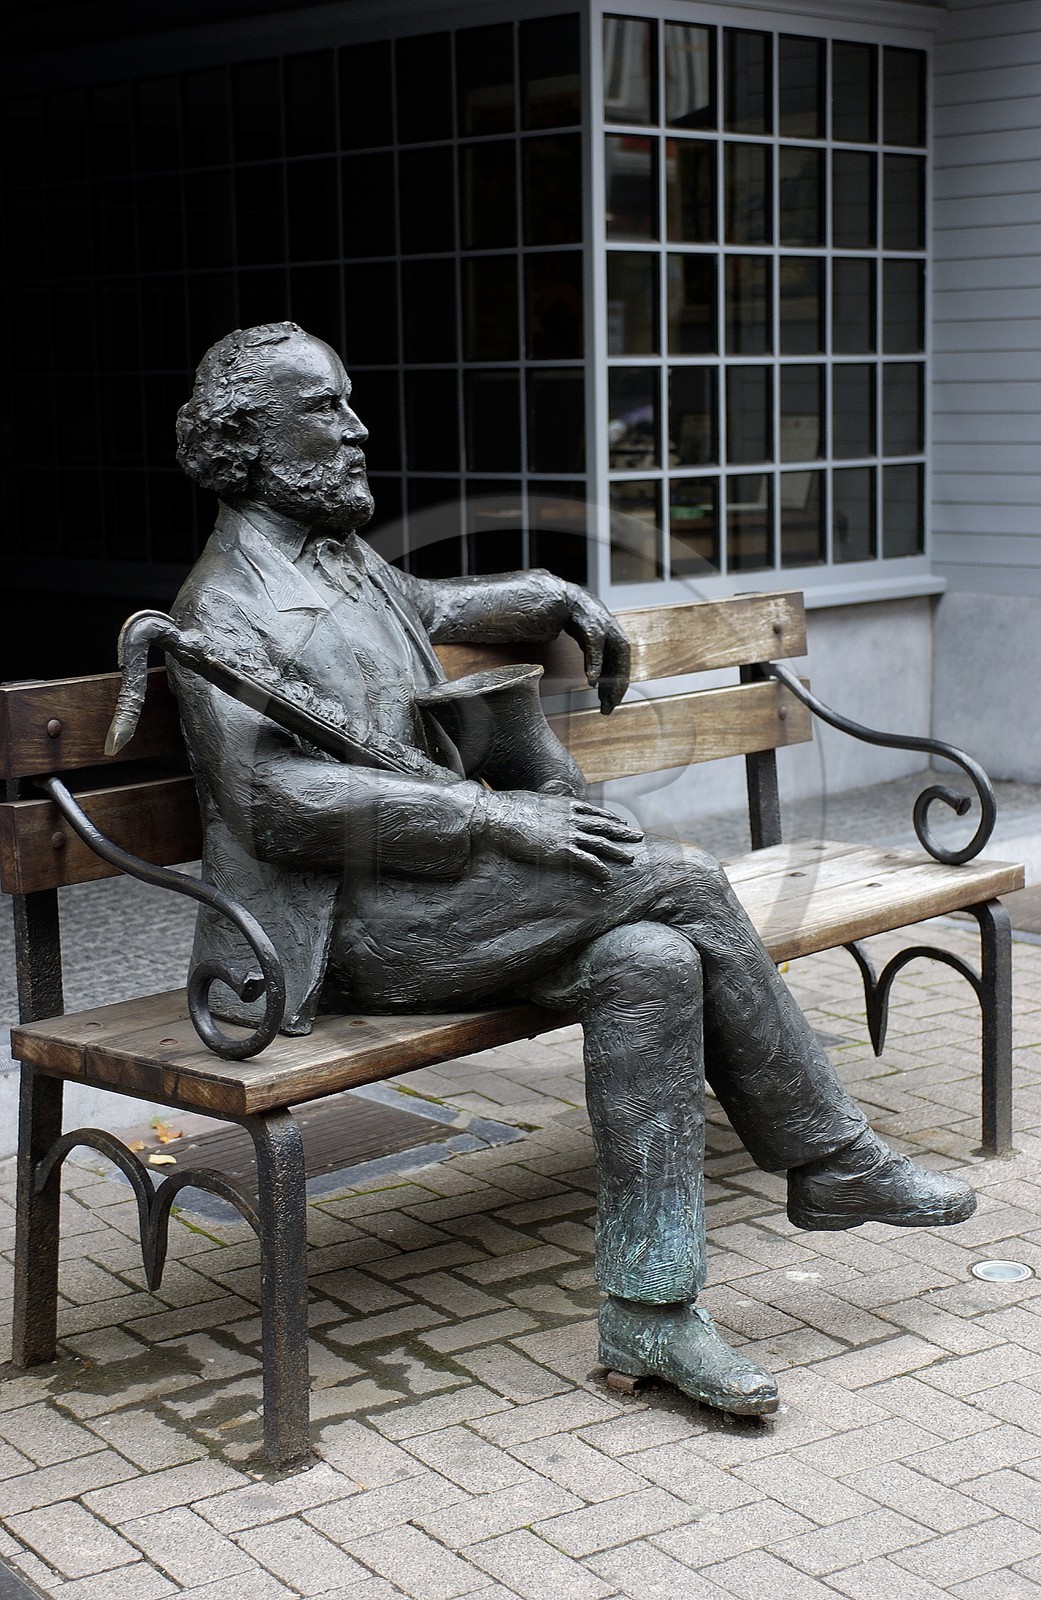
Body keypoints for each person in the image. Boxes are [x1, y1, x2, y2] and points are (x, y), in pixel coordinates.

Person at [169, 321, 975, 1418]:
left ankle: (651, 1313)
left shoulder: (338, 557)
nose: (358, 429)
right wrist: (499, 820)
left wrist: (546, 590)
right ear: (249, 442)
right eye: (326, 409)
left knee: (647, 962)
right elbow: (275, 802)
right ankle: (829, 1154)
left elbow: (434, 607)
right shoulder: (224, 602)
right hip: (332, 933)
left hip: (432, 899)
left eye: (350, 402)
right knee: (680, 878)